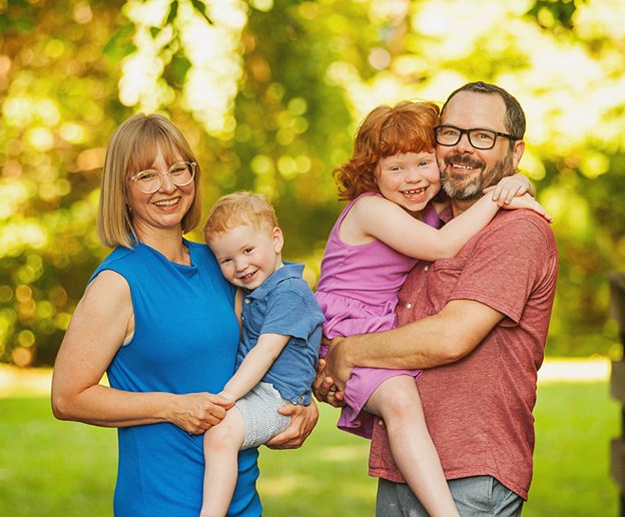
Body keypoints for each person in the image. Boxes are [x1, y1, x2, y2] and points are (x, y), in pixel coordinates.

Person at [49, 112, 313, 517]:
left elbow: (281, 335)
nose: (168, 186)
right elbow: (68, 397)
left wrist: (302, 404)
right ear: (122, 189)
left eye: (177, 169)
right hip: (161, 503)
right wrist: (171, 407)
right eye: (147, 176)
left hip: (240, 501)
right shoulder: (118, 282)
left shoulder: (223, 264)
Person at [317, 85, 559, 517]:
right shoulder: (422, 220)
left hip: (471, 472)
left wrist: (347, 352)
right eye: (450, 133)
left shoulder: (516, 230)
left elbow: (450, 338)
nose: (463, 147)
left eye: (483, 136)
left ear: (515, 151)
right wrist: (336, 369)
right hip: (404, 465)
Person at [195, 192, 324, 517]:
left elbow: (264, 353)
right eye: (226, 260)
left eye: (248, 250)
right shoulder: (258, 291)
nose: (240, 265)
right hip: (260, 391)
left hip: (278, 397)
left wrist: (226, 397)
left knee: (220, 434)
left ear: (276, 239)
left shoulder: (290, 291)